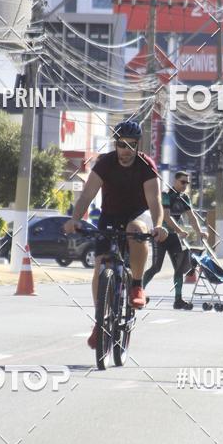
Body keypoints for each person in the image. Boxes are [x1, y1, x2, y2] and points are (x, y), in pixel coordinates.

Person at [64, 119, 168, 347]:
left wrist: (158, 225)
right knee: (101, 264)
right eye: (122, 144)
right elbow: (87, 195)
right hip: (110, 215)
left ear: (138, 145)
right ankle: (99, 322)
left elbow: (155, 200)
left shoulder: (146, 165)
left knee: (136, 230)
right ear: (115, 144)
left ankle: (137, 285)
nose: (126, 150)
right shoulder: (105, 163)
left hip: (138, 215)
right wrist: (74, 219)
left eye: (131, 145)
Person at [143, 171, 207, 309]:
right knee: (156, 267)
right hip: (160, 235)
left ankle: (178, 300)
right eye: (182, 182)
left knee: (179, 268)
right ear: (175, 181)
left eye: (187, 183)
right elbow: (166, 216)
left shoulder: (184, 198)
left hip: (173, 237)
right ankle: (137, 291)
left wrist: (199, 231)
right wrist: (180, 230)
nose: (185, 185)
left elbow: (192, 217)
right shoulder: (166, 195)